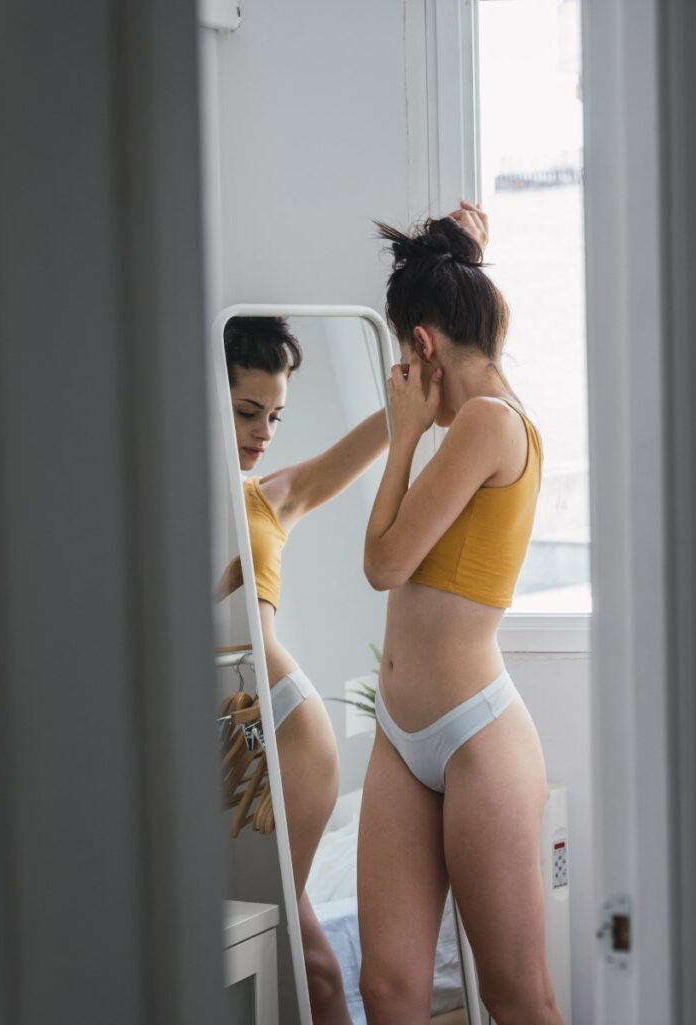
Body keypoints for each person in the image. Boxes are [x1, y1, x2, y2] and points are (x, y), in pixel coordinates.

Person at [359, 201, 563, 1025]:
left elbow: (384, 563)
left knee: (518, 997)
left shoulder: (486, 421)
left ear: (423, 344)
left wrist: (405, 434)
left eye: (405, 366)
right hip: (402, 735)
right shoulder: (472, 422)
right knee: (390, 990)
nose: (408, 390)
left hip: (478, 737)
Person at [222, 315, 389, 1025]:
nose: (264, 433)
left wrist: (417, 368)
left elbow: (372, 436)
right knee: (312, 966)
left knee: (273, 940)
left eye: (276, 416)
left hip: (285, 733)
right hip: (240, 742)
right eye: (247, 412)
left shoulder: (267, 497)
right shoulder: (162, 502)